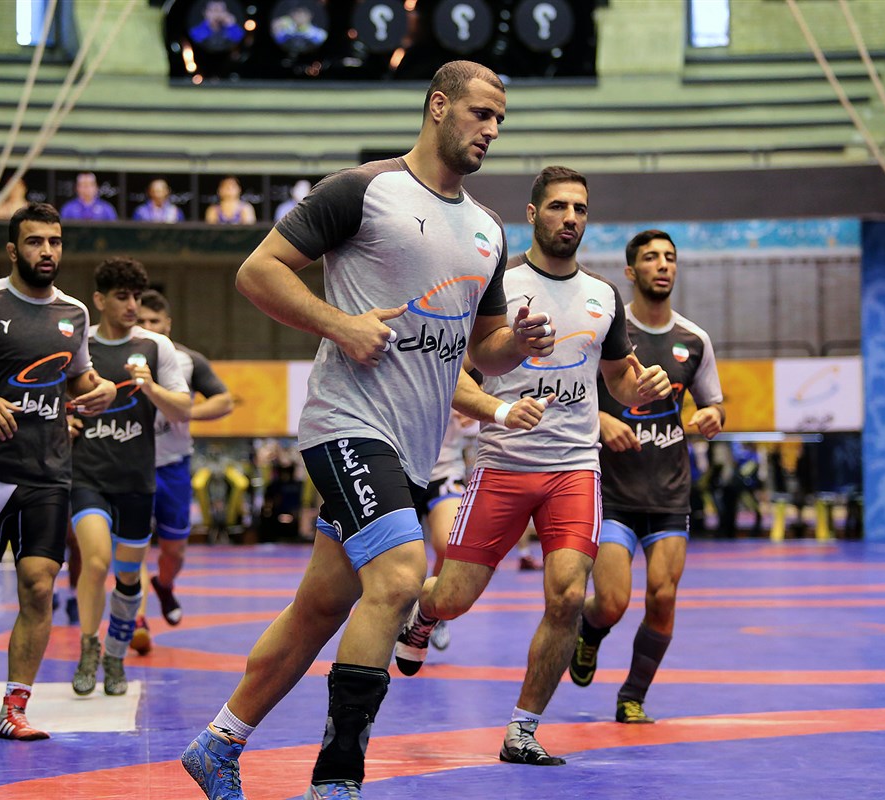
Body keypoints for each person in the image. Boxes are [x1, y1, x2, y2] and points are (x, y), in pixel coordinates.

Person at [181, 60, 557, 800]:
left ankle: (217, 743)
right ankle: (337, 779)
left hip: (413, 451)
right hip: (347, 425)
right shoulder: (364, 189)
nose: (491, 129)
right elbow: (258, 272)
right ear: (438, 106)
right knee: (399, 576)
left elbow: (483, 352)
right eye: (480, 113)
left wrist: (518, 344)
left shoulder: (487, 229)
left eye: (500, 120)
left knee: (321, 607)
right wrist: (340, 325)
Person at [393, 166, 672, 767]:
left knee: (568, 596)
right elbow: (455, 377)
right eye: (558, 206)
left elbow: (619, 381)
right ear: (531, 214)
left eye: (579, 208)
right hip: (503, 466)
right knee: (454, 597)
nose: (570, 218)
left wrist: (641, 390)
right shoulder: (499, 287)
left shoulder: (604, 296)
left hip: (574, 468)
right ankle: (423, 613)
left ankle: (523, 729)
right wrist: (499, 408)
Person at [0, 202, 116, 740]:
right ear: (13, 250)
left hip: (49, 473)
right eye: (35, 242)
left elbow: (79, 376)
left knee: (37, 585)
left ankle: (13, 709)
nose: (47, 251)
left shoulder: (74, 313)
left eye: (54, 241)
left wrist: (99, 389)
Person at [569, 228, 725, 724]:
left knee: (663, 596)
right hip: (612, 492)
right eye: (652, 257)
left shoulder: (694, 340)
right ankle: (589, 630)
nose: (663, 265)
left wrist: (712, 417)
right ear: (631, 271)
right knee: (612, 602)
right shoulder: (607, 332)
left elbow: (715, 404)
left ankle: (632, 696)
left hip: (669, 494)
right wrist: (600, 418)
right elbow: (569, 395)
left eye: (670, 258)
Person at [68, 258, 191, 695]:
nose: (132, 305)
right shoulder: (79, 344)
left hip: (137, 480)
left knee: (127, 576)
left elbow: (184, 409)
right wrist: (63, 421)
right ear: (99, 300)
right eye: (122, 296)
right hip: (88, 475)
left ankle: (116, 656)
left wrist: (151, 388)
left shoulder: (157, 347)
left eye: (136, 296)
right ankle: (89, 647)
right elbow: (54, 396)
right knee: (95, 560)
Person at [134, 289, 233, 634]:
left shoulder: (188, 361)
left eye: (154, 321)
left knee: (174, 552)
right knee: (133, 547)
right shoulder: (119, 356)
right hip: (131, 467)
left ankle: (164, 585)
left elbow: (224, 401)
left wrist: (186, 412)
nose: (148, 327)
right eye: (141, 321)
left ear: (168, 324)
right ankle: (138, 620)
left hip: (173, 465)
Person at [412, 406, 479, 652]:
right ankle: (399, 610)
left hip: (446, 470)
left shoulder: (462, 382)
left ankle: (432, 610)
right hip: (399, 470)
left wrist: (478, 407)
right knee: (400, 558)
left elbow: (481, 411)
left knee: (451, 544)